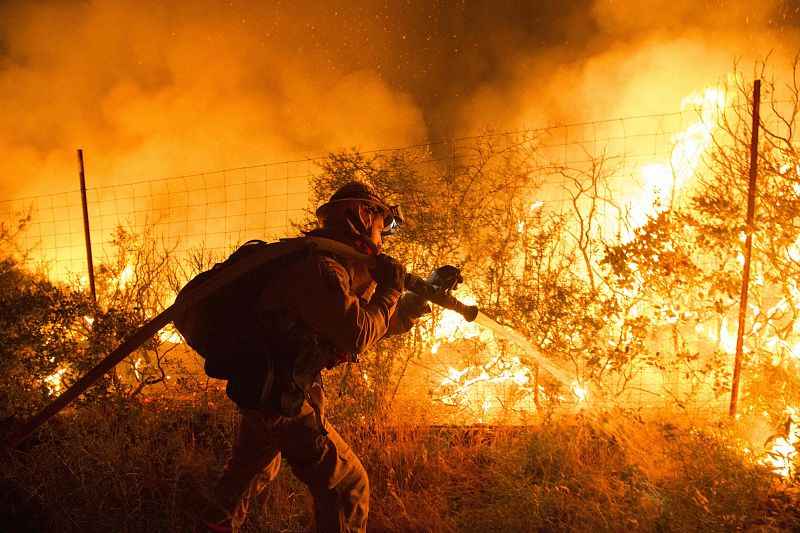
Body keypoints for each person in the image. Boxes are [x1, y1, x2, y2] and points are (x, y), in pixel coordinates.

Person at [200, 181, 428, 532]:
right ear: (363, 216)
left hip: (274, 390)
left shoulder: (333, 268)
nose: (386, 237)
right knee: (346, 486)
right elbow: (356, 335)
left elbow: (355, 323)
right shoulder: (319, 268)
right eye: (387, 225)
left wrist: (404, 311)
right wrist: (392, 289)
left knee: (247, 476)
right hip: (280, 396)